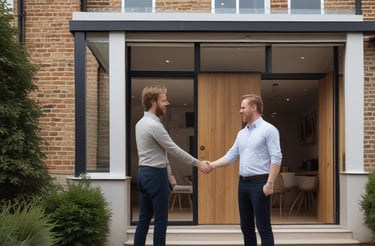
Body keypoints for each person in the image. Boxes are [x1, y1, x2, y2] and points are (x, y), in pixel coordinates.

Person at [134, 85, 210, 246]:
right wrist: (199, 163)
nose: (167, 103)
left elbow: (162, 152)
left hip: (143, 174)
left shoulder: (140, 123)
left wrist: (169, 174)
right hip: (155, 176)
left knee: (143, 220)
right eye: (164, 100)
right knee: (161, 222)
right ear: (153, 101)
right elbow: (173, 149)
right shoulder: (154, 126)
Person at [203, 94, 282, 246]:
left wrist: (270, 183)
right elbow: (231, 156)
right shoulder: (242, 133)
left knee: (263, 228)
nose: (240, 111)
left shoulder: (269, 130)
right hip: (243, 185)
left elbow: (276, 157)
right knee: (246, 227)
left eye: (243, 107)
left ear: (254, 108)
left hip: (261, 184)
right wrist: (212, 165)